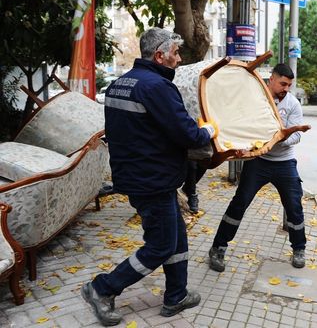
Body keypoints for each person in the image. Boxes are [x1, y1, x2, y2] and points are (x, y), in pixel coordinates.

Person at [81, 28, 217, 326]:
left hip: (139, 175)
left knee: (176, 236)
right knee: (160, 245)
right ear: (160, 55)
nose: (179, 59)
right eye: (176, 53)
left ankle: (176, 295)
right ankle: (101, 288)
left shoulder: (120, 84)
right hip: (151, 180)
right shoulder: (157, 87)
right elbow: (188, 134)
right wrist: (209, 130)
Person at [208, 63, 310, 271]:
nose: (286, 89)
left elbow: (297, 135)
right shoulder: (256, 98)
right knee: (239, 203)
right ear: (271, 79)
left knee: (294, 206)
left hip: (284, 163)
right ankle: (218, 247)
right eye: (283, 83)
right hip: (257, 162)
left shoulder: (292, 104)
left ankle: (299, 248)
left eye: (289, 85)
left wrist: (277, 139)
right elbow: (239, 123)